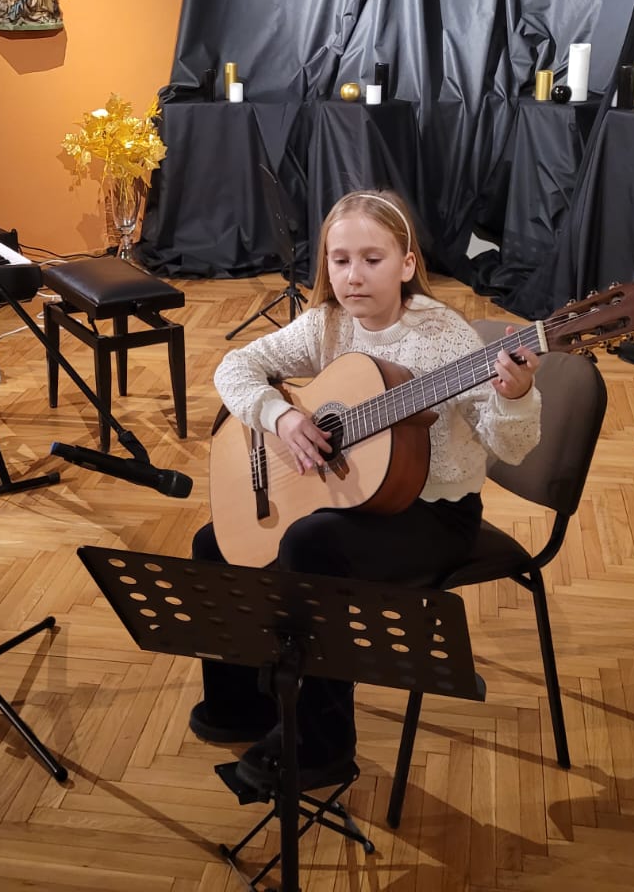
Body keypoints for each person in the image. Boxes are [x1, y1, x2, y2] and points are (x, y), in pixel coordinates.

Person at [192, 188, 542, 792]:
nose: (353, 276)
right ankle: (241, 705)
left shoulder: (444, 339)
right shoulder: (327, 323)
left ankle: (321, 744)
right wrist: (283, 417)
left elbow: (510, 448)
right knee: (214, 542)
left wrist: (517, 396)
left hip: (436, 514)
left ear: (407, 264)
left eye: (372, 259)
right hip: (358, 499)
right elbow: (235, 367)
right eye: (340, 259)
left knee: (310, 547)